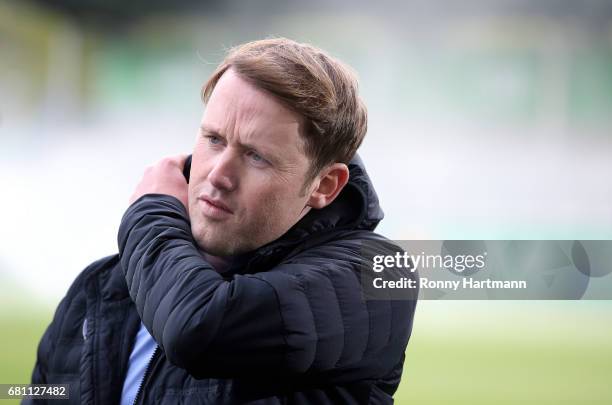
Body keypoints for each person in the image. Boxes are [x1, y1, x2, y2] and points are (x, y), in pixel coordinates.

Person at [27, 38, 418, 404]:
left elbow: (199, 329)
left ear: (325, 185)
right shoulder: (101, 287)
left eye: (255, 156)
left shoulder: (377, 279)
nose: (218, 174)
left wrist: (150, 210)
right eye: (213, 139)